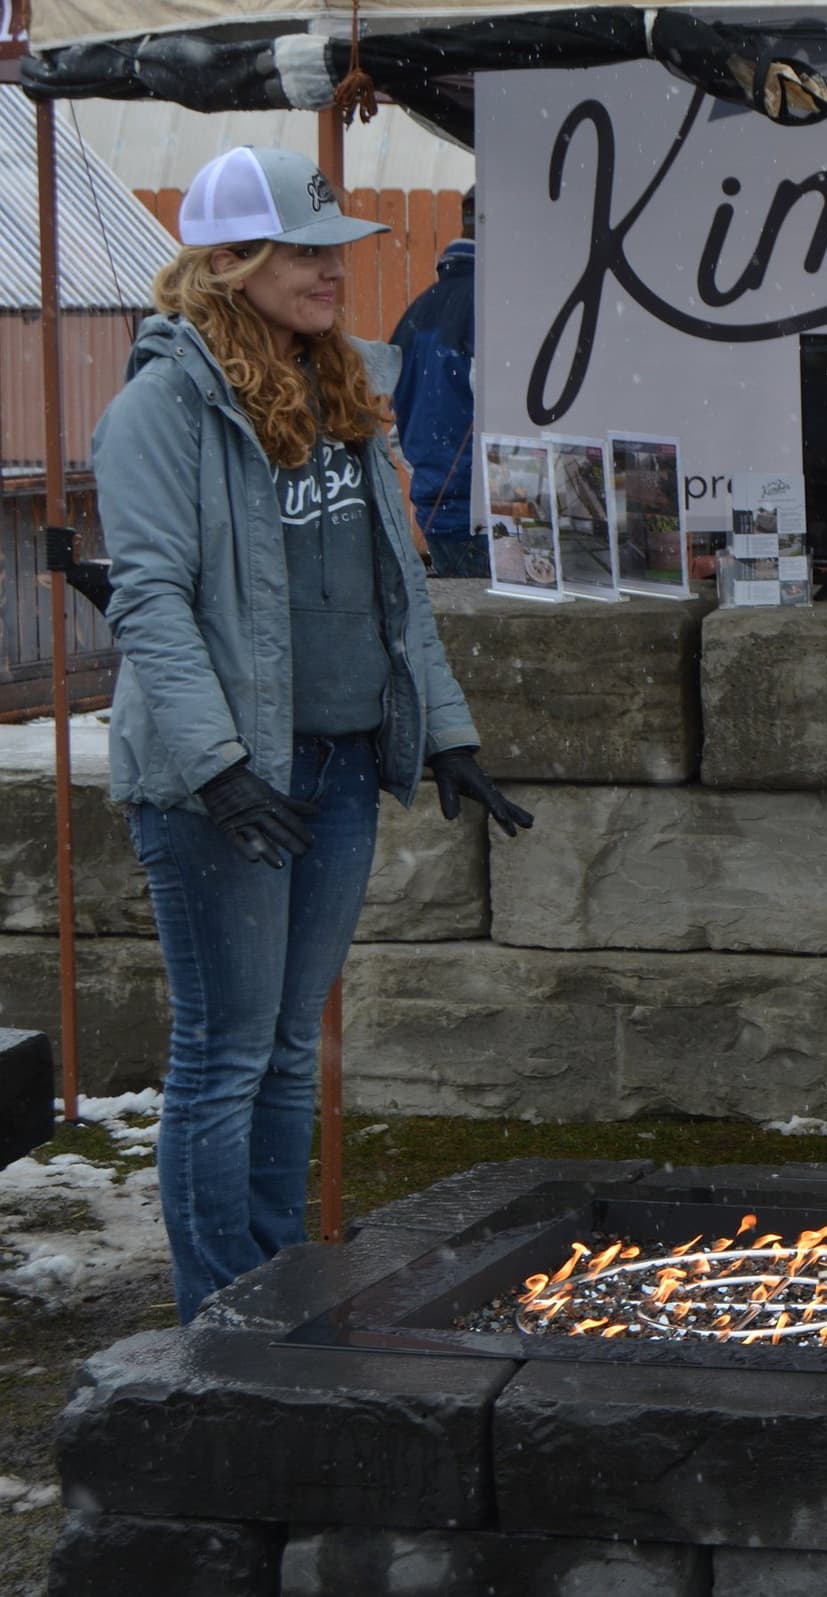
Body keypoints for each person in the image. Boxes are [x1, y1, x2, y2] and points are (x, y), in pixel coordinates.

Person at [94, 146, 534, 1323]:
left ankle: (278, 1291)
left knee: (291, 1049)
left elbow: (393, 594)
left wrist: (447, 734)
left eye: (334, 250)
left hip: (338, 763)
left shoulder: (344, 396)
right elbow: (150, 602)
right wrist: (220, 769)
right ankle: (220, 1316)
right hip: (225, 783)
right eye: (305, 251)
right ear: (229, 264)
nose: (332, 271)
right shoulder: (161, 408)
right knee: (225, 1057)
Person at [391, 187, 482, 575]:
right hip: (494, 523)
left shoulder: (416, 311)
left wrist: (434, 478)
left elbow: (397, 432)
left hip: (439, 515)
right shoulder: (497, 304)